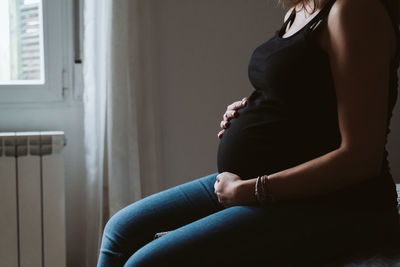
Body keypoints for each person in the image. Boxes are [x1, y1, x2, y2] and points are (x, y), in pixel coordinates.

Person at [97, 0, 400, 266]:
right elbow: (308, 92)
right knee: (120, 230)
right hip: (267, 177)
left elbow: (360, 158)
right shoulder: (303, 7)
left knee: (145, 263)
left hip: (335, 203)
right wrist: (255, 105)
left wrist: (250, 190)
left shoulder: (355, 10)